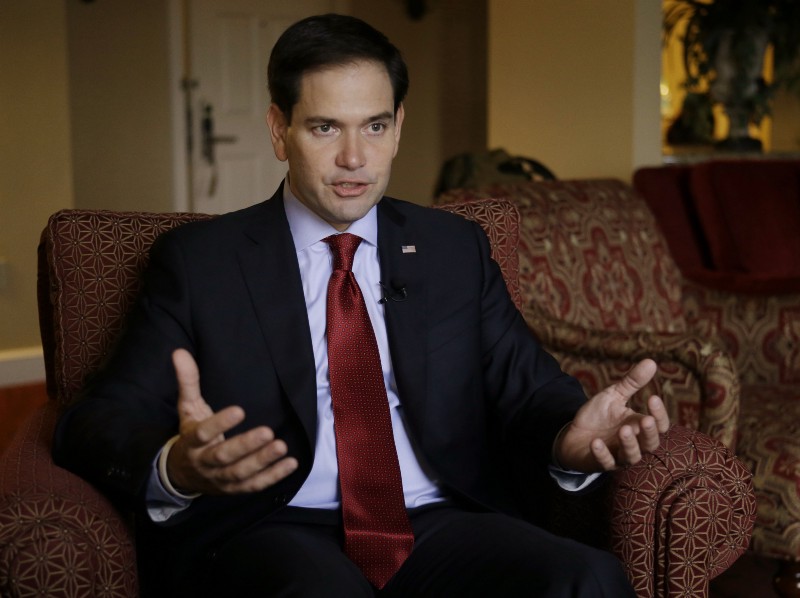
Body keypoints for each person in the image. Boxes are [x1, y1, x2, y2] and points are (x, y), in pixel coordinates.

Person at [53, 13, 670, 597]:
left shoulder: (452, 248)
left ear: (398, 127)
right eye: (325, 127)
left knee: (585, 577)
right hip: (274, 526)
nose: (354, 158)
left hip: (435, 520)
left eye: (374, 126)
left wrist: (568, 438)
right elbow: (96, 419)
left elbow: (528, 387)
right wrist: (177, 467)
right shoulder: (201, 262)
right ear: (279, 130)